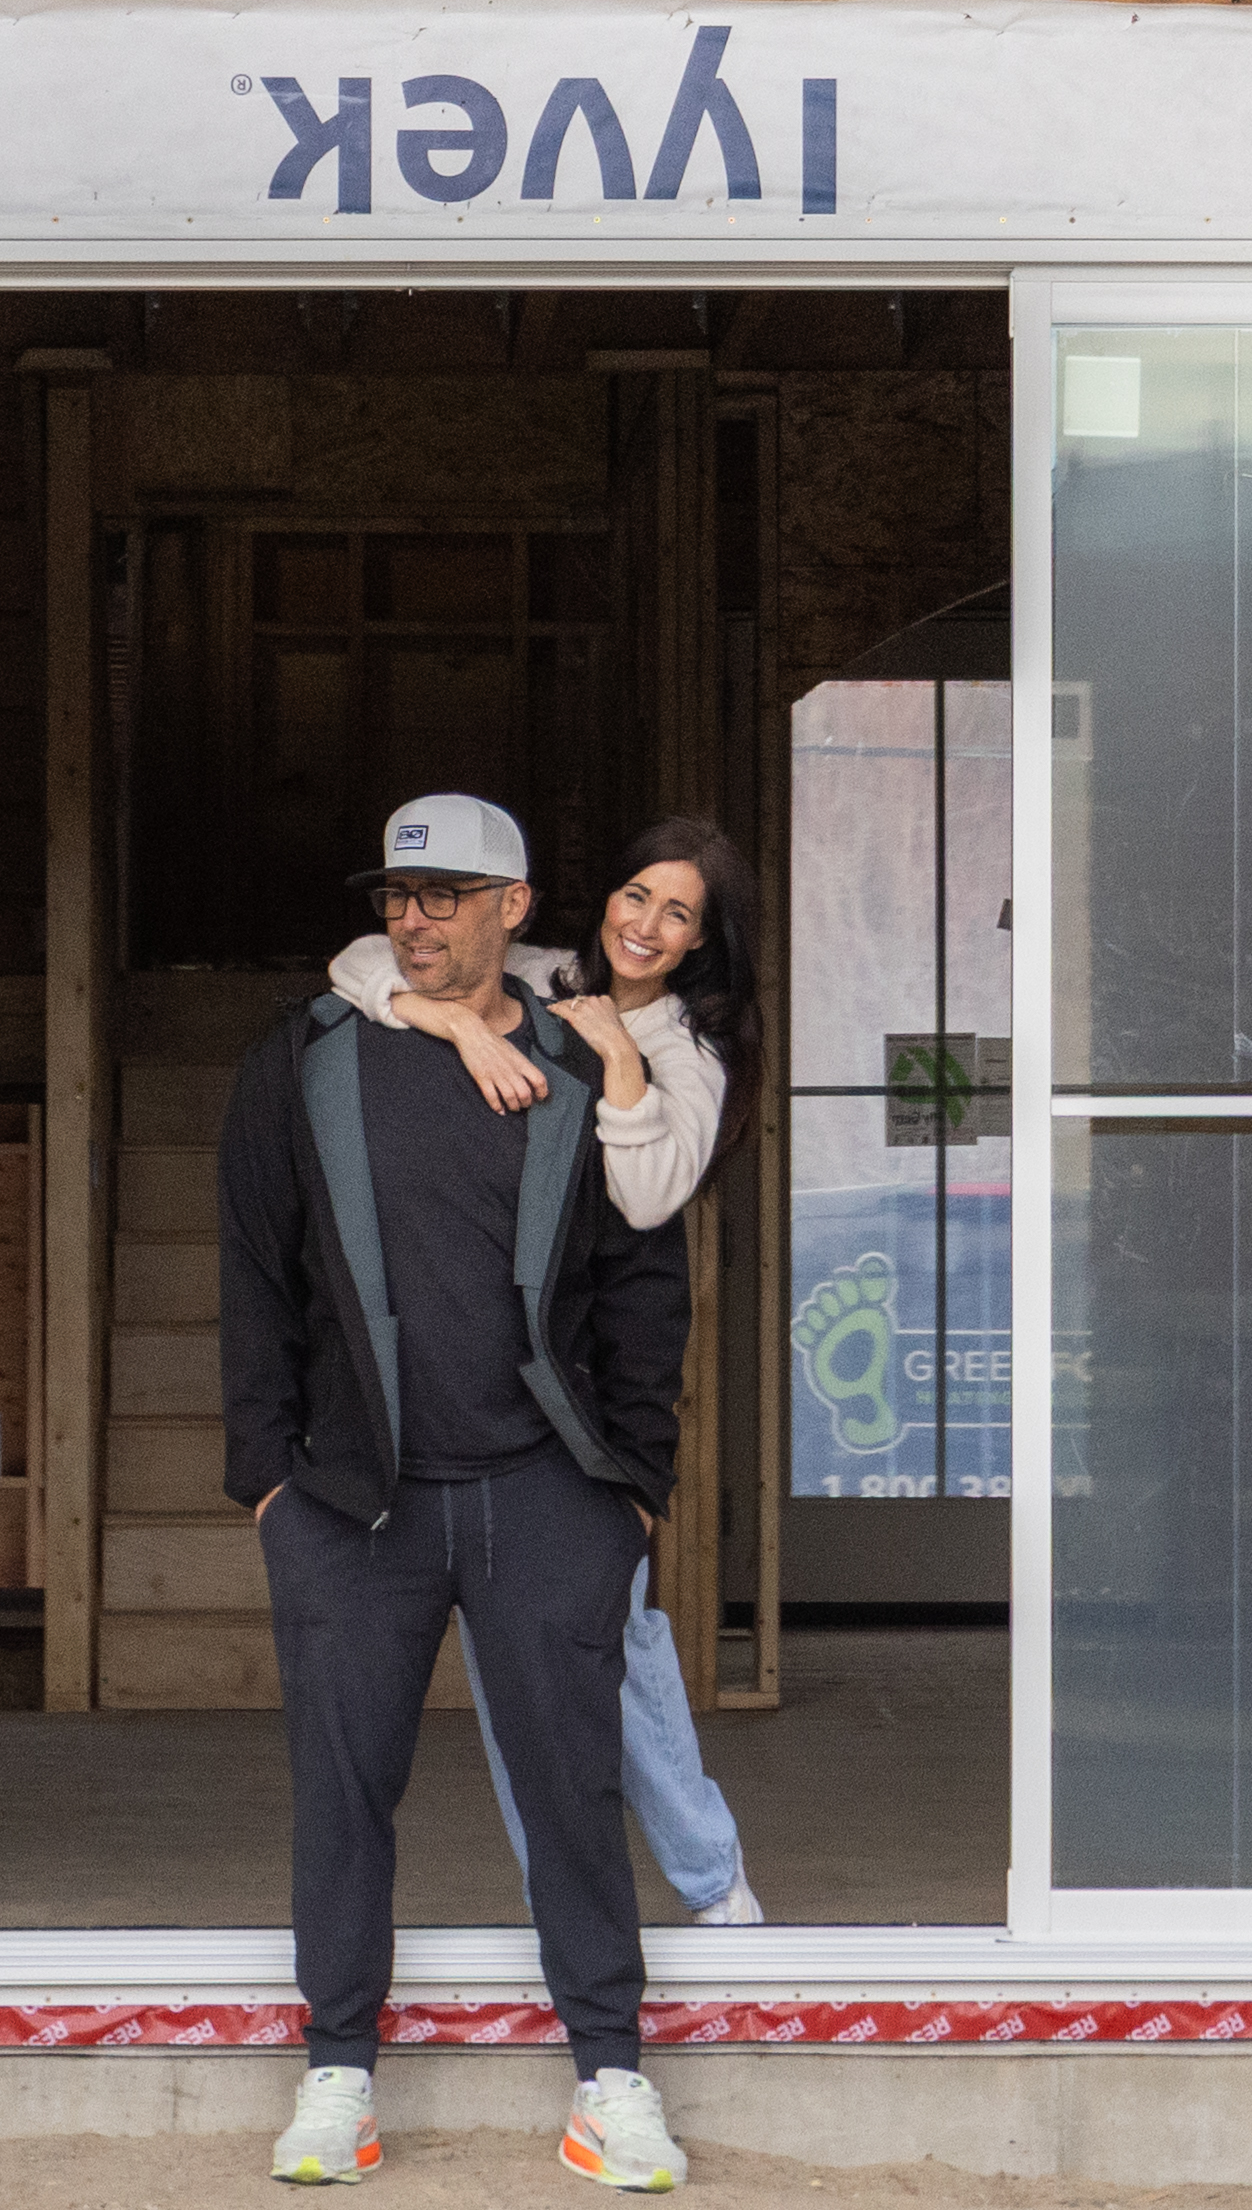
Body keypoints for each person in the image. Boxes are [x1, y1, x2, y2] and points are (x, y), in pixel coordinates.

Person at [219, 791, 699, 2194]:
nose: (411, 919)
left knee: (574, 1789)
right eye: (396, 897)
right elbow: (252, 1270)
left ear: (516, 907)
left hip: (546, 1492)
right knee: (343, 1791)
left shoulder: (581, 1061)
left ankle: (611, 2081)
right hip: (352, 1505)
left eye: (443, 895)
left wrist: (634, 1484)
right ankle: (336, 2078)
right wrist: (266, 1480)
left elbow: (642, 1283)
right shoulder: (303, 1062)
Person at [336, 818, 762, 1930]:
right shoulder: (544, 978)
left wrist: (619, 1063)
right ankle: (597, 1905)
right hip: (496, 1425)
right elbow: (360, 962)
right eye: (634, 891)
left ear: (701, 942)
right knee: (525, 1677)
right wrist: (449, 1024)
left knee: (611, 1652)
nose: (644, 922)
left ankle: (713, 1886)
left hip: (578, 1432)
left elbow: (650, 1196)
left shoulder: (686, 1051)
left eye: (676, 912)